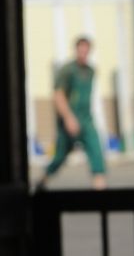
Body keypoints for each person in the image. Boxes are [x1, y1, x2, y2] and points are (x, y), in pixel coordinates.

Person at [39, 36, 107, 189]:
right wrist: (68, 118)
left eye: (86, 49)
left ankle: (101, 193)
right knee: (60, 156)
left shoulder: (90, 71)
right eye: (81, 49)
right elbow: (58, 95)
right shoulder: (68, 70)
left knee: (96, 153)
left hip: (86, 119)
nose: (83, 52)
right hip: (69, 119)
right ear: (76, 49)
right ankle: (41, 182)